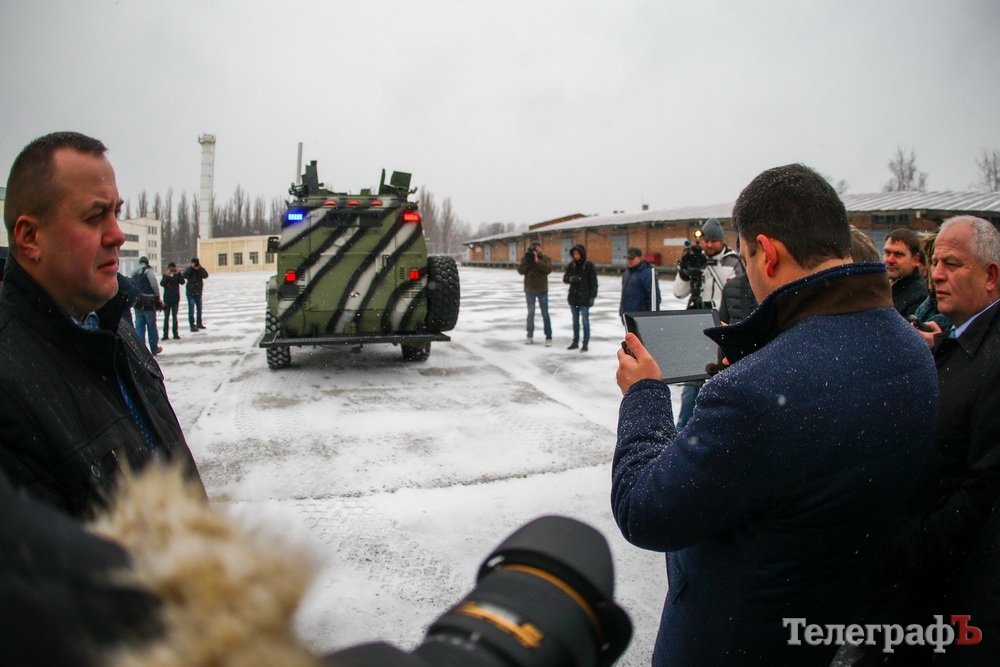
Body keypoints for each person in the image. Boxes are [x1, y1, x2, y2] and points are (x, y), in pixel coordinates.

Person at [611, 163, 938, 666]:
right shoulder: (909, 347)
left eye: (743, 259)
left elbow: (645, 510)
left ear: (767, 253)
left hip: (733, 642)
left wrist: (644, 396)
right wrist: (764, 364)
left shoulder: (753, 396)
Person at [0, 131, 204, 518]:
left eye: (116, 212)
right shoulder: (9, 389)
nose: (116, 234)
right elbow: (45, 572)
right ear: (30, 237)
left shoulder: (110, 324)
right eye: (95, 216)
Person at [867, 215, 1000, 665]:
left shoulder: (992, 359)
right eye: (934, 260)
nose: (937, 273)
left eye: (953, 263)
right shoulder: (959, 342)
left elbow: (983, 491)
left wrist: (904, 546)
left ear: (991, 276)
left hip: (948, 597)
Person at [672, 218, 742, 429]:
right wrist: (685, 271)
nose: (709, 245)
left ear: (722, 241)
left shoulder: (734, 262)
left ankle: (714, 430)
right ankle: (683, 430)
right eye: (706, 241)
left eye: (713, 241)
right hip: (696, 328)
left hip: (722, 327)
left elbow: (736, 293)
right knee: (691, 386)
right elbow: (678, 292)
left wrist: (714, 269)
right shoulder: (696, 259)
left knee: (720, 384)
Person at [883, 227, 928, 318]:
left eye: (898, 254)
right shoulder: (883, 289)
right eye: (887, 253)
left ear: (915, 259)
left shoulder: (919, 296)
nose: (890, 260)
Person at [562, 243, 598, 351]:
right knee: (575, 321)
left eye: (577, 254)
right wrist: (570, 279)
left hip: (585, 299)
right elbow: (565, 278)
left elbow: (594, 283)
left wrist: (592, 297)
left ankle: (585, 343)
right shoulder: (571, 265)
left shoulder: (588, 265)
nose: (576, 256)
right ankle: (575, 341)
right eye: (574, 254)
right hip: (574, 298)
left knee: (585, 322)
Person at [516, 241, 552, 346]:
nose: (536, 251)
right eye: (534, 249)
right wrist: (528, 261)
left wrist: (537, 261)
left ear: (540, 249)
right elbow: (520, 270)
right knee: (530, 313)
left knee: (545, 314)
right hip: (530, 290)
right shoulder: (527, 258)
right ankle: (529, 335)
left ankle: (548, 337)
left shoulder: (545, 258)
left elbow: (548, 269)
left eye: (537, 249)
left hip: (542, 290)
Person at [131, 255, 163, 355]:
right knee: (151, 326)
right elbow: (154, 284)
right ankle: (154, 348)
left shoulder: (134, 272)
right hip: (148, 303)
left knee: (139, 327)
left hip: (137, 303)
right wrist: (157, 297)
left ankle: (141, 351)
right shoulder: (148, 271)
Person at [619, 247, 661, 316]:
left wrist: (650, 316)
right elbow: (625, 295)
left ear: (640, 258)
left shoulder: (647, 274)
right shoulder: (627, 273)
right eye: (628, 258)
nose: (629, 261)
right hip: (628, 315)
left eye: (632, 258)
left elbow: (655, 298)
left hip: (641, 317)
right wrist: (622, 312)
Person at [160, 261, 185, 340]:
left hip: (175, 299)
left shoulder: (177, 275)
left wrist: (178, 274)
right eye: (170, 268)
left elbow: (182, 282)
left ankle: (175, 333)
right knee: (166, 317)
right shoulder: (165, 275)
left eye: (173, 268)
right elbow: (162, 283)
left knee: (174, 317)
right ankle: (165, 334)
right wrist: (167, 276)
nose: (172, 270)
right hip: (167, 299)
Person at [183, 256, 209, 332]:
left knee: (199, 309)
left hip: (198, 292)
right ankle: (192, 325)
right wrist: (191, 268)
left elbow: (206, 275)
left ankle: (199, 323)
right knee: (191, 309)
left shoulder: (200, 269)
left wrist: (199, 268)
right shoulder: (189, 269)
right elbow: (184, 275)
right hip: (190, 293)